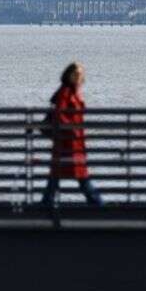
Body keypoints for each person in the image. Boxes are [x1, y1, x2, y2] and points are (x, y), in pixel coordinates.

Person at [42, 62, 103, 207]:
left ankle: (46, 202)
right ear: (68, 75)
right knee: (79, 175)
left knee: (61, 173)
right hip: (68, 141)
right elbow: (59, 114)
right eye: (75, 74)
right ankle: (97, 203)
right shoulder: (65, 91)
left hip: (73, 141)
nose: (78, 77)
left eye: (81, 74)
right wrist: (72, 129)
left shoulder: (74, 91)